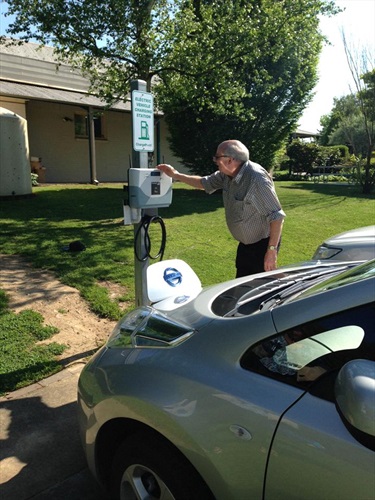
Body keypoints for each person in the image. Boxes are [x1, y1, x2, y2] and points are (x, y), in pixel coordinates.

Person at [157, 139, 286, 277]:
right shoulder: (226, 175)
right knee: (242, 284)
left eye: (217, 157)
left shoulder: (256, 179)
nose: (215, 160)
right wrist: (175, 174)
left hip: (263, 245)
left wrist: (271, 251)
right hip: (246, 245)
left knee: (259, 290)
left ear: (230, 160)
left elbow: (277, 216)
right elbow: (203, 183)